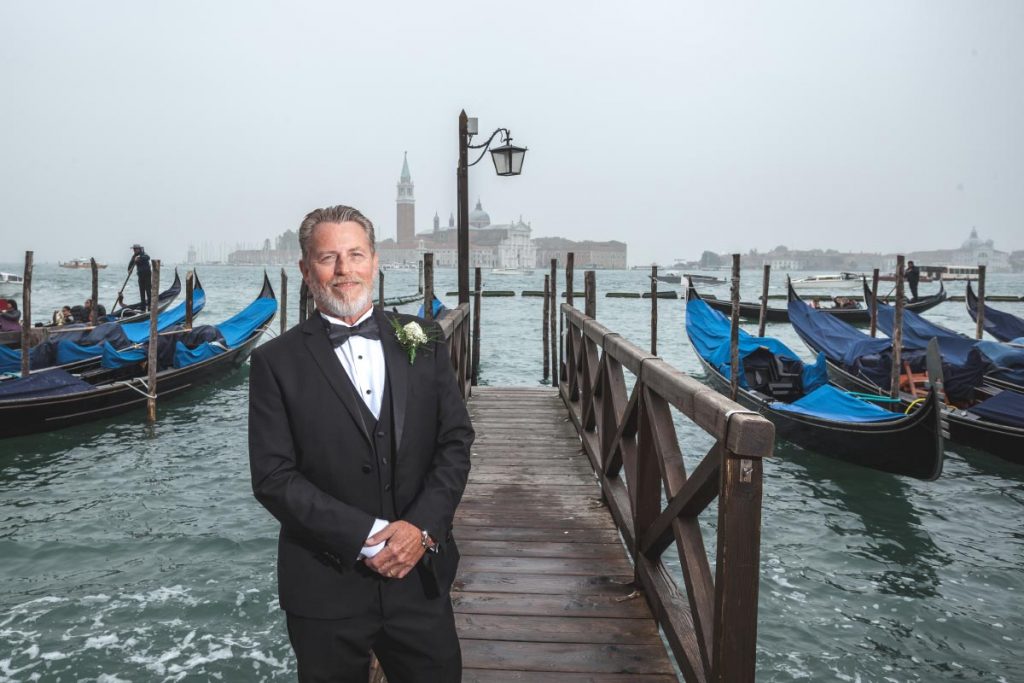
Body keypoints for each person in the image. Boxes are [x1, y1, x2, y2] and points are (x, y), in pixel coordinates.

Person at [248, 204, 473, 682]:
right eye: (329, 258)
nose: (344, 270)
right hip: (325, 586)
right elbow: (272, 477)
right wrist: (366, 537)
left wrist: (421, 528)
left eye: (355, 254)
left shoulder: (424, 338)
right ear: (306, 269)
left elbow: (455, 441)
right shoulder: (273, 362)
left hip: (421, 576)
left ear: (374, 260)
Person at [129, 244, 152, 310]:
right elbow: (130, 264)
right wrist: (129, 270)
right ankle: (143, 307)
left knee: (148, 291)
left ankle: (150, 306)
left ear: (139, 249)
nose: (134, 250)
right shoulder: (134, 256)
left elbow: (148, 257)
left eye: (136, 249)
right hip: (140, 276)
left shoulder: (143, 254)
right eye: (134, 249)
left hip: (147, 275)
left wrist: (140, 258)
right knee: (141, 291)